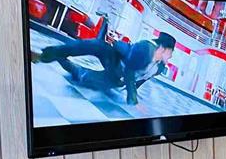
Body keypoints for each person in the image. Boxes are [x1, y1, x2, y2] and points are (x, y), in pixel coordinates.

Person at [34, 19, 176, 105]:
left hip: (115, 78)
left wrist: (130, 90)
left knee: (82, 76)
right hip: (115, 62)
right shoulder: (146, 49)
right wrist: (132, 98)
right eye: (170, 52)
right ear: (162, 48)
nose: (170, 56)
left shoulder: (159, 67)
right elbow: (129, 70)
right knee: (95, 45)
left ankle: (58, 57)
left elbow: (141, 80)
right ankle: (47, 55)